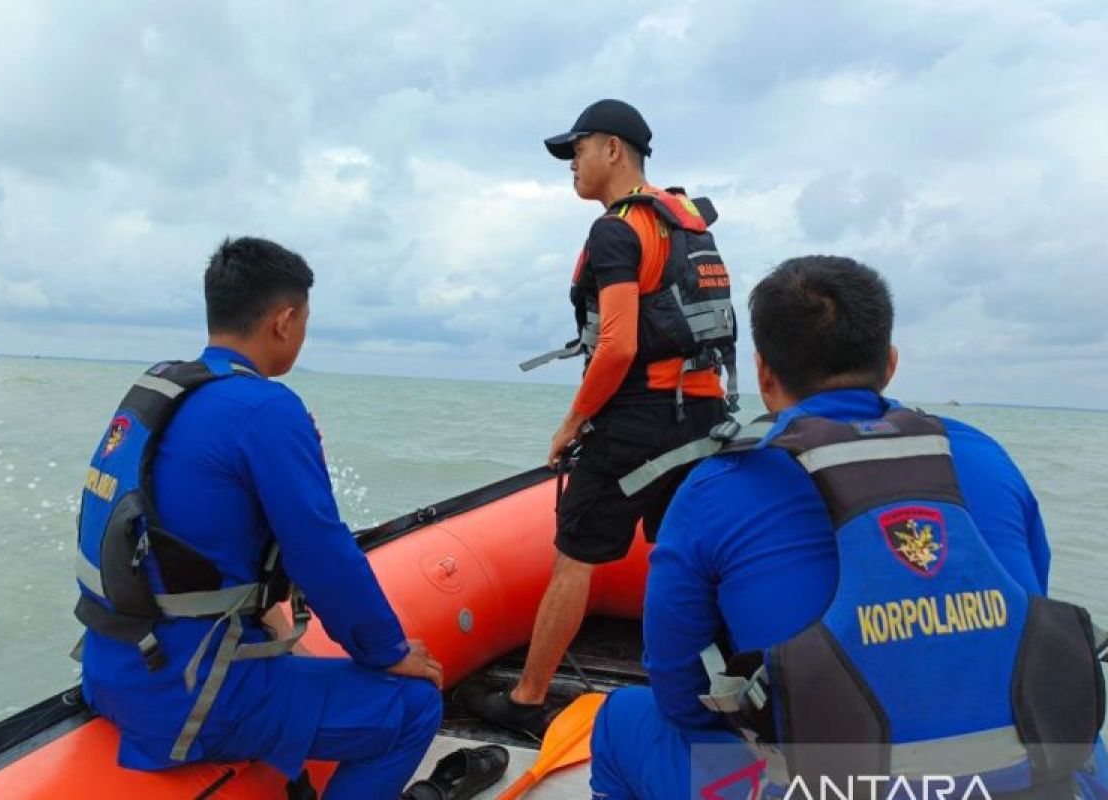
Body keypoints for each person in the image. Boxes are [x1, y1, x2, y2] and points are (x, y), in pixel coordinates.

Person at [589, 256, 1108, 799]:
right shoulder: (984, 456)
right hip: (1037, 787)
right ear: (890, 363)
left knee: (622, 717)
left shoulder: (717, 487)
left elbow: (678, 692)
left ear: (764, 375)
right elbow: (1027, 614)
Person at [73, 237, 443, 800]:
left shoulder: (161, 389)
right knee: (415, 707)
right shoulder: (266, 408)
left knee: (287, 646)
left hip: (111, 667)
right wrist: (389, 653)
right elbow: (323, 555)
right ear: (284, 320)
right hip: (190, 694)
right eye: (305, 321)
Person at [466, 99, 735, 738]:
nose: (572, 166)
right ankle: (721, 688)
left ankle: (528, 699)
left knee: (575, 555)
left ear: (613, 149)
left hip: (639, 421)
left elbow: (615, 344)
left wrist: (572, 422)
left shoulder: (617, 230)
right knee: (688, 557)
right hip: (704, 415)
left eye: (578, 150)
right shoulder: (688, 224)